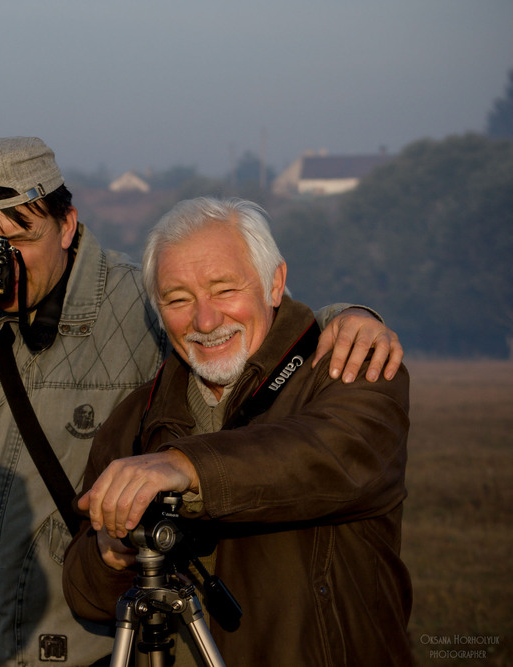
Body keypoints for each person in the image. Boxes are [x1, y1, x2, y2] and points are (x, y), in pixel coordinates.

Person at [0, 137, 404, 666]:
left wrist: (348, 319)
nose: (3, 258)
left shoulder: (138, 304)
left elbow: (252, 326)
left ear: (67, 225)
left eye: (23, 234)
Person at [62, 197, 411, 666]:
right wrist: (112, 553)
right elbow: (87, 596)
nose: (205, 321)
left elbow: (333, 455)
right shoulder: (136, 418)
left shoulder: (351, 367)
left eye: (224, 289)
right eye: (178, 299)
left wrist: (185, 467)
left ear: (275, 284)